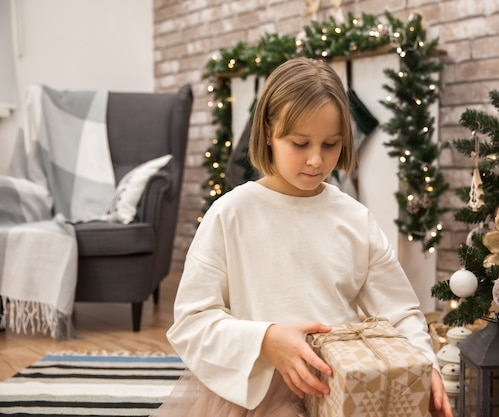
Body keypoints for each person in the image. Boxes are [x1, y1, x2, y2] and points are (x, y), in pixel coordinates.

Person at [154, 57, 452, 417]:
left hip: (345, 393)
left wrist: (425, 364)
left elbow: (400, 311)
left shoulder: (354, 218)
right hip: (255, 396)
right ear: (267, 133)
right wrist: (265, 340)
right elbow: (192, 322)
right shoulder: (230, 214)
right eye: (299, 143)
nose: (315, 160)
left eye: (330, 144)